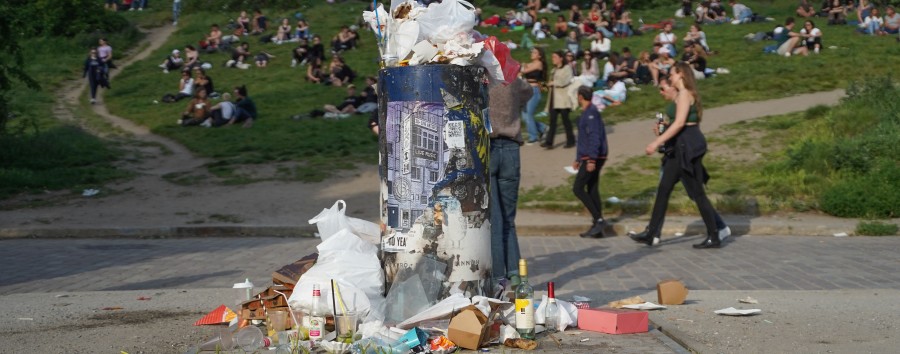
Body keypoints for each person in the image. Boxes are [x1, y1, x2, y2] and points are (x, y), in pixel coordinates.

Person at [630, 62, 723, 249]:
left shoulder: (685, 94)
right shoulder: (682, 95)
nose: (669, 77)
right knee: (664, 188)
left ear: (680, 74)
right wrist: (662, 133)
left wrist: (656, 142)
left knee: (697, 193)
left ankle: (715, 234)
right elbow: (676, 123)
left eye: (671, 73)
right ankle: (652, 233)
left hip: (687, 146)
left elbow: (680, 123)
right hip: (681, 146)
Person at [487, 77, 532, 286]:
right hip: (512, 148)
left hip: (489, 148)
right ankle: (515, 272)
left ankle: (498, 275)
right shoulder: (513, 81)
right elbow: (529, 92)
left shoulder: (481, 80)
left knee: (494, 219)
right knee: (508, 217)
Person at [572, 85, 609, 238]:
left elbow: (594, 137)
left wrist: (591, 160)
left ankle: (598, 219)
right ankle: (597, 227)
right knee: (592, 188)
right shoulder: (588, 112)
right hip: (588, 157)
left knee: (578, 188)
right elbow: (583, 140)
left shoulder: (591, 113)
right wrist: (578, 158)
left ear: (580, 96)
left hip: (593, 157)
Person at [542, 51, 575, 149]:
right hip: (553, 99)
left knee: (566, 120)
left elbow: (565, 81)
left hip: (563, 99)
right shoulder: (553, 70)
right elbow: (551, 83)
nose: (553, 59)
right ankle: (549, 142)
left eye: (555, 57)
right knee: (552, 121)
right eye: (552, 57)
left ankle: (571, 140)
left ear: (561, 58)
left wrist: (553, 82)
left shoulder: (567, 68)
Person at [520, 48, 548, 145]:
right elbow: (521, 72)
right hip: (526, 91)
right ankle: (543, 127)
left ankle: (533, 137)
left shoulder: (539, 63)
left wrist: (523, 67)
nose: (532, 53)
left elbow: (524, 71)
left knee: (529, 115)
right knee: (524, 116)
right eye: (532, 51)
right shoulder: (529, 64)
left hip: (534, 91)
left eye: (535, 52)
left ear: (539, 55)